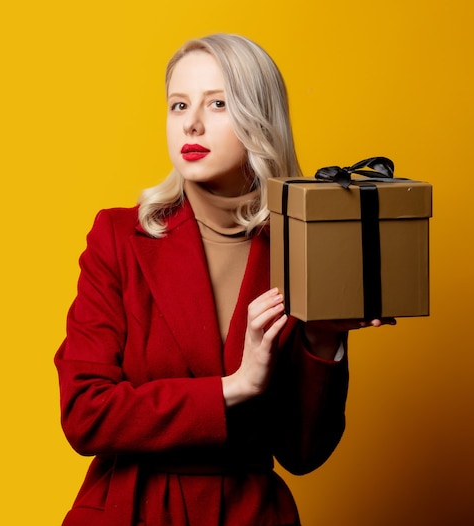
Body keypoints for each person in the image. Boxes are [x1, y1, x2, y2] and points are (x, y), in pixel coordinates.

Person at [54, 33, 395, 526]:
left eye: (217, 103)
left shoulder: (301, 244)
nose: (191, 122)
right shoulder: (118, 237)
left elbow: (303, 454)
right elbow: (85, 412)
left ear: (260, 119)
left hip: (249, 513)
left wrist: (324, 337)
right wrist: (234, 387)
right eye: (178, 105)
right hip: (130, 509)